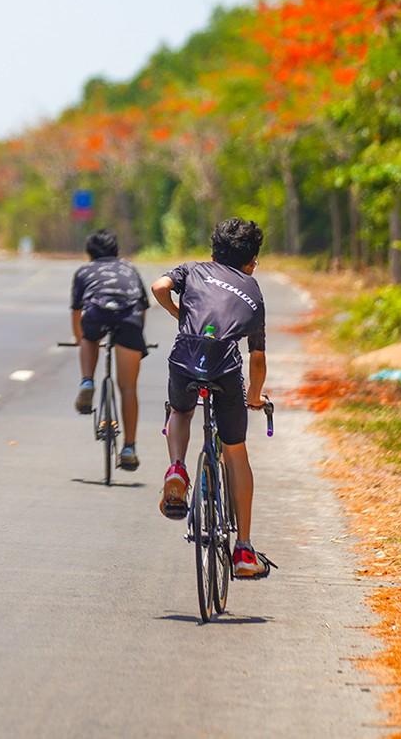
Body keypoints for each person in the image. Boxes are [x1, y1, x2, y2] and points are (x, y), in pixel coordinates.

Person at [152, 217, 274, 579]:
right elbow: (257, 358)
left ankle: (177, 467)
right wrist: (253, 396)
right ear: (251, 261)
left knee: (180, 410)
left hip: (186, 356)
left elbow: (159, 287)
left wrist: (179, 314)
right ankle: (244, 550)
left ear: (213, 251)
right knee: (235, 451)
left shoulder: (192, 269)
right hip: (224, 366)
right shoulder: (252, 290)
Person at [69, 228, 149, 470]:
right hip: (129, 318)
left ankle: (86, 382)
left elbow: (76, 310)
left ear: (89, 253)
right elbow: (143, 306)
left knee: (89, 337)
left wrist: (79, 339)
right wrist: (135, 338)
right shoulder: (129, 269)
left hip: (97, 313)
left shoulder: (84, 271)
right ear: (116, 251)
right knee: (128, 388)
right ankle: (129, 447)